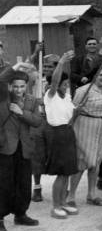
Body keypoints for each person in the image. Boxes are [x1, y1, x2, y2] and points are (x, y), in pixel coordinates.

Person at [0, 65, 43, 231]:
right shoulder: (3, 98)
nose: (18, 89)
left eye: (22, 86)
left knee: (24, 183)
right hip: (5, 148)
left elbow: (38, 121)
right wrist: (14, 67)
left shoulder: (32, 101)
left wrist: (21, 112)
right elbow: (2, 79)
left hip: (24, 148)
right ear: (10, 86)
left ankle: (21, 214)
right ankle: (0, 218)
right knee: (4, 185)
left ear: (27, 85)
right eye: (15, 86)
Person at [67, 65, 102, 207]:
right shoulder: (83, 90)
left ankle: (92, 194)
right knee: (83, 161)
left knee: (97, 161)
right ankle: (71, 196)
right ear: (94, 76)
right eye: (101, 75)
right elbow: (73, 111)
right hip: (85, 125)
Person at [44, 51, 80, 219]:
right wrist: (62, 62)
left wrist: (77, 112)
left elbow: (71, 118)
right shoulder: (50, 95)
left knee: (68, 171)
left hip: (68, 133)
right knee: (61, 172)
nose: (66, 86)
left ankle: (64, 202)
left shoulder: (66, 96)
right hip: (56, 135)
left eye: (67, 83)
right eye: (63, 84)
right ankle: (56, 206)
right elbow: (55, 80)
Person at [30, 54, 60, 203]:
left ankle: (61, 186)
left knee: (56, 154)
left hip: (55, 121)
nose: (48, 69)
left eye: (51, 66)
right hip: (39, 120)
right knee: (37, 155)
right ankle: (37, 187)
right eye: (45, 66)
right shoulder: (36, 79)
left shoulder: (61, 83)